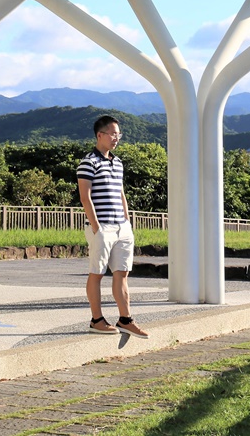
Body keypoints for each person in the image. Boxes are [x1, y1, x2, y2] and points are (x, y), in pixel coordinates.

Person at [76, 115, 149, 338]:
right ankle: (96, 319)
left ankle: (125, 319)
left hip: (121, 227)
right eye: (113, 134)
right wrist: (97, 227)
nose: (116, 138)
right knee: (97, 273)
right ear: (100, 135)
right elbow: (85, 196)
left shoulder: (117, 163)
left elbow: (120, 193)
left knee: (122, 273)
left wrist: (126, 221)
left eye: (119, 134)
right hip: (103, 227)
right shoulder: (88, 162)